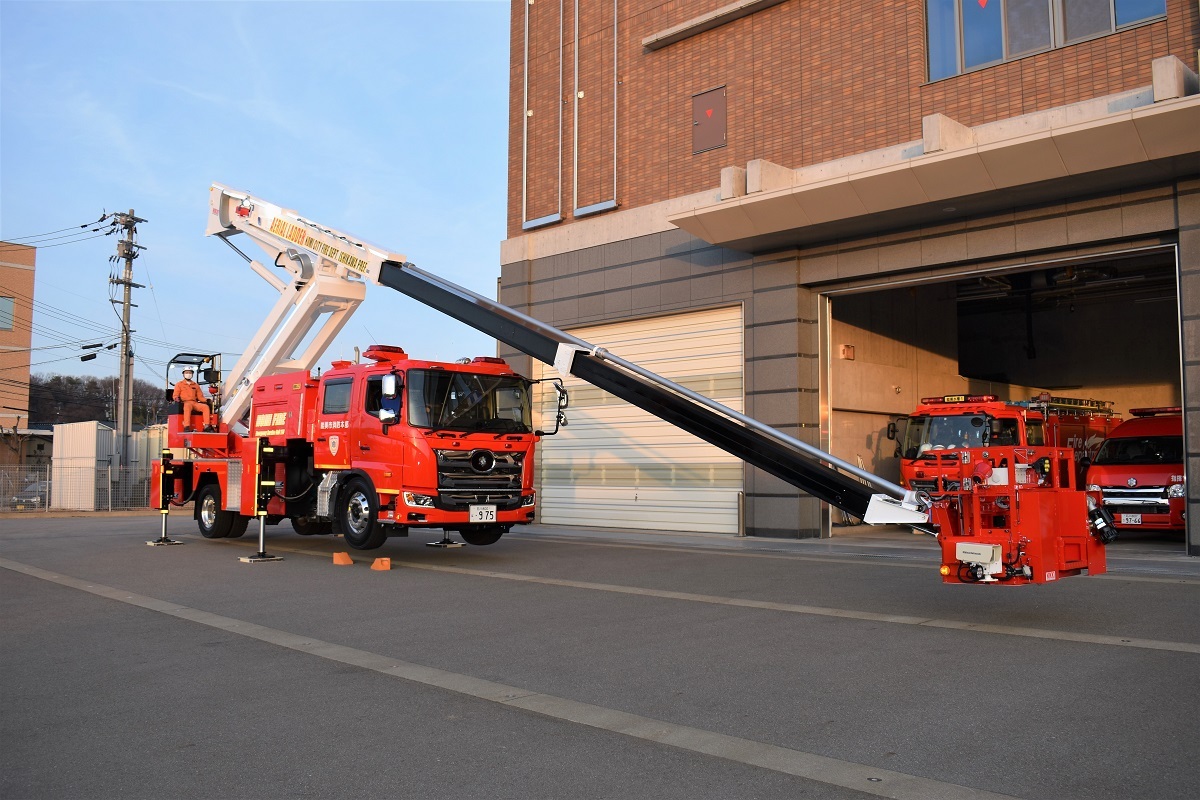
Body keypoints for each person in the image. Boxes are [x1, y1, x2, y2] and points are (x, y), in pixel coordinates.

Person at [173, 368, 214, 432]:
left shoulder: (195, 385)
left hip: (195, 403)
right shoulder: (179, 384)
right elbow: (175, 394)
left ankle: (207, 426)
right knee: (187, 407)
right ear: (183, 374)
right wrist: (176, 398)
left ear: (192, 374)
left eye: (190, 373)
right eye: (186, 373)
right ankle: (186, 426)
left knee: (205, 407)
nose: (188, 374)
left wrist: (207, 400)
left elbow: (200, 397)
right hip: (186, 402)